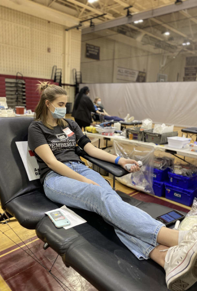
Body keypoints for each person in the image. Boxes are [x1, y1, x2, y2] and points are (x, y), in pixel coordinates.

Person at [28, 82, 197, 291]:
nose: (64, 107)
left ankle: (165, 257)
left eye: (65, 103)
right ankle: (177, 239)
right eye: (60, 103)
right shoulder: (36, 128)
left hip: (80, 169)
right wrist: (84, 181)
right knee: (101, 196)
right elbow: (52, 162)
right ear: (47, 104)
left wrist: (119, 160)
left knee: (110, 205)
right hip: (55, 177)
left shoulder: (69, 125)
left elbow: (90, 150)